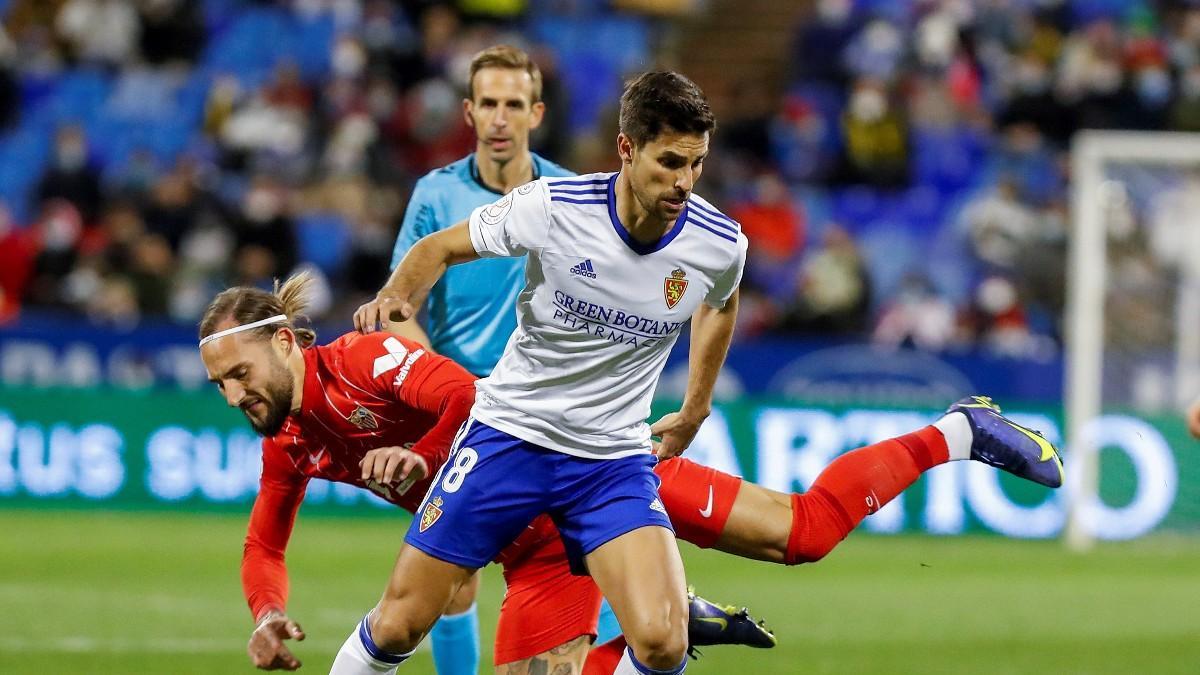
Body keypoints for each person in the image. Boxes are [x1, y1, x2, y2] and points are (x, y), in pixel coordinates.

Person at [344, 70, 1065, 675]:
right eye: (668, 163)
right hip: (511, 438)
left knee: (663, 639)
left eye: (697, 163)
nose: (685, 182)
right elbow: (440, 247)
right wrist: (396, 296)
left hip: (611, 460)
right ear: (626, 150)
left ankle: (955, 435)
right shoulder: (553, 209)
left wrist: (694, 406)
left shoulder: (719, 241)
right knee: (404, 622)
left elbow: (719, 306)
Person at [198, 272, 774, 673]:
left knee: (798, 533)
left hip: (574, 486)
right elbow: (263, 545)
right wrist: (267, 612)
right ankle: (668, 615)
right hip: (517, 545)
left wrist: (421, 454)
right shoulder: (289, 443)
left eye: (239, 374)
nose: (231, 396)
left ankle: (662, 613)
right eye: (220, 383)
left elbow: (468, 398)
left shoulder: (361, 359)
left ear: (282, 341)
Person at [386, 46, 575, 674]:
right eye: (488, 104)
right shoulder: (435, 195)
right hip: (462, 405)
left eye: (513, 104)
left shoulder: (568, 195)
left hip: (547, 413)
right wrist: (438, 376)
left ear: (536, 112)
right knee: (452, 578)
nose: (500, 118)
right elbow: (398, 305)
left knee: (569, 571)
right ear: (468, 112)